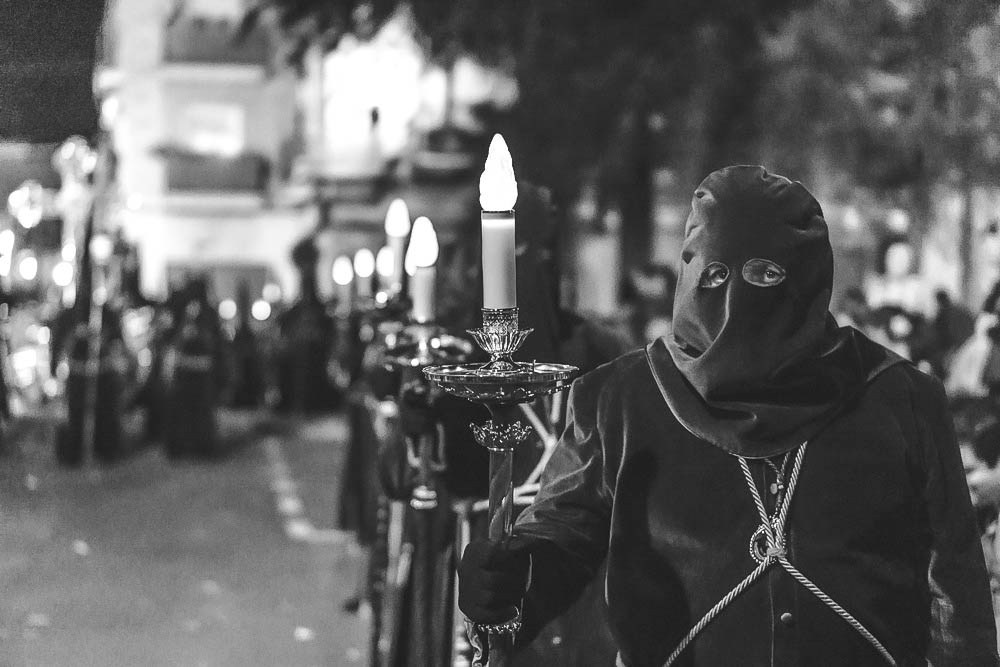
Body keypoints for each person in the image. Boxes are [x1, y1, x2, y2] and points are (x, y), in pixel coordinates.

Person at [458, 166, 998, 666]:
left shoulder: (899, 399)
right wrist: (510, 579)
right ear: (688, 275)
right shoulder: (620, 400)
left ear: (809, 278)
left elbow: (956, 592)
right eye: (715, 274)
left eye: (765, 274)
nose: (737, 301)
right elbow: (561, 534)